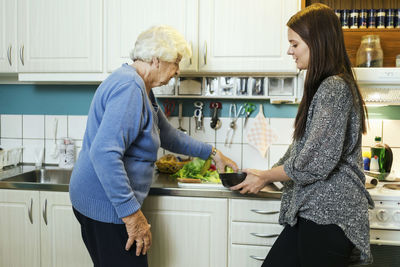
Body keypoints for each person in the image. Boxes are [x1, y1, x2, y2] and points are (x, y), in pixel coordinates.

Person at [69, 25, 238, 267]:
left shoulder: (141, 87)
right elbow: (104, 153)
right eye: (176, 62)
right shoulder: (130, 88)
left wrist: (213, 153)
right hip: (106, 205)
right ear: (157, 60)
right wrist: (132, 215)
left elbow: (168, 135)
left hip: (100, 200)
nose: (178, 71)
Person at [231, 4, 374, 267]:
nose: (289, 50)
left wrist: (266, 176)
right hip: (315, 211)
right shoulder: (324, 86)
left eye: (294, 44)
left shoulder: (333, 88)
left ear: (316, 42)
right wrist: (267, 175)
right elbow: (301, 148)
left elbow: (315, 161)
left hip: (330, 214)